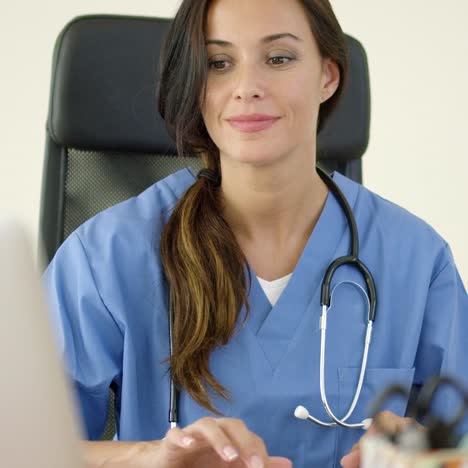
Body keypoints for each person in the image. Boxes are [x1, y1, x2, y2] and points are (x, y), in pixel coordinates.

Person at [43, 0, 468, 466]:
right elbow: (23, 445)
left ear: (328, 75)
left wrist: (426, 454)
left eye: (279, 58)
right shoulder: (107, 256)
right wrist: (148, 458)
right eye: (218, 63)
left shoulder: (415, 260)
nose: (247, 87)